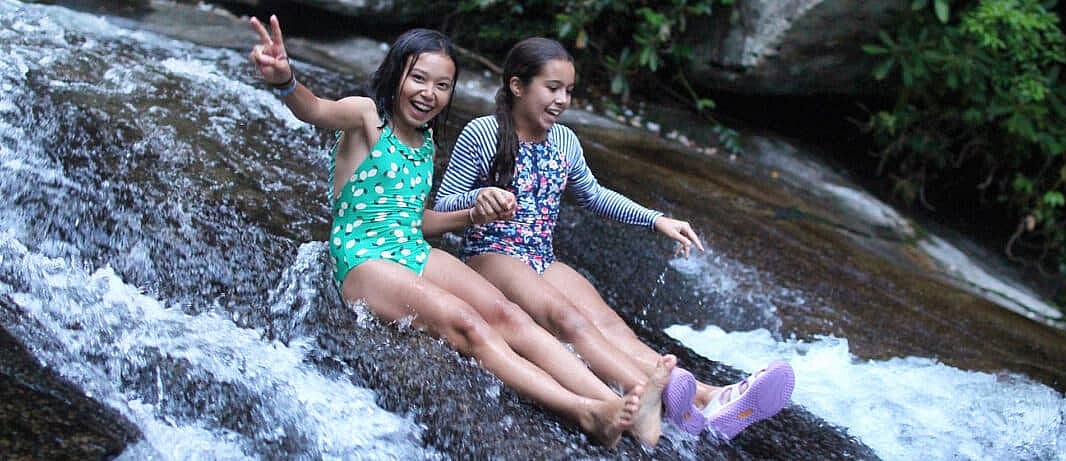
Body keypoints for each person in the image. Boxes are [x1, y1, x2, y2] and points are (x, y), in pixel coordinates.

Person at [248, 16, 675, 447]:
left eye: (442, 85)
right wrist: (285, 80)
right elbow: (315, 108)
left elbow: (417, 220)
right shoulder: (365, 117)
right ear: (395, 73)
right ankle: (583, 412)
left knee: (510, 315)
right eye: (418, 79)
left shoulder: (425, 142)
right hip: (363, 258)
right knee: (469, 325)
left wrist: (474, 214)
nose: (428, 94)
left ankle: (618, 407)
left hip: (410, 248)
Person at [433, 37, 795, 440]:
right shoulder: (483, 133)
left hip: (540, 257)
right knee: (567, 318)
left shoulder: (565, 141)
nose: (562, 100)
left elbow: (594, 195)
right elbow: (444, 202)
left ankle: (709, 397)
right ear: (518, 86)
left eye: (568, 91)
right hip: (491, 254)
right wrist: (479, 198)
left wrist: (656, 220)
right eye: (552, 88)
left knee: (609, 322)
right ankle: (656, 397)